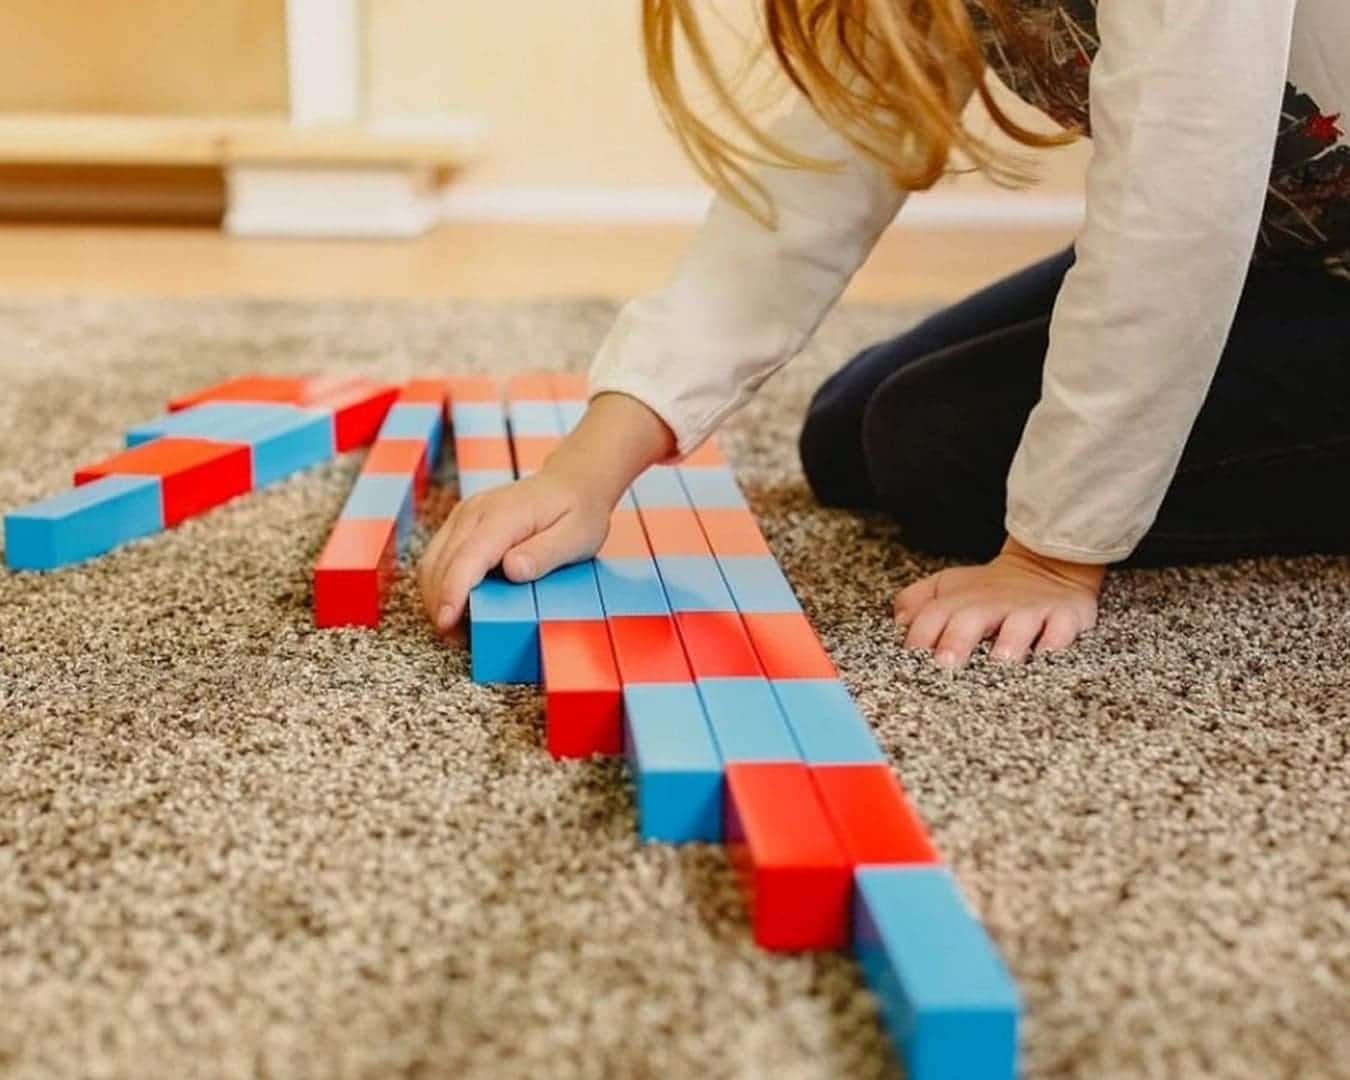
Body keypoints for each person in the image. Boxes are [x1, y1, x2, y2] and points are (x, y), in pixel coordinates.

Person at [421, 0, 1350, 668]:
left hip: (1237, 240)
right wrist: (588, 466)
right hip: (1289, 259)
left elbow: (1174, 208)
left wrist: (1052, 554)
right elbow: (822, 173)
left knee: (936, 448)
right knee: (853, 427)